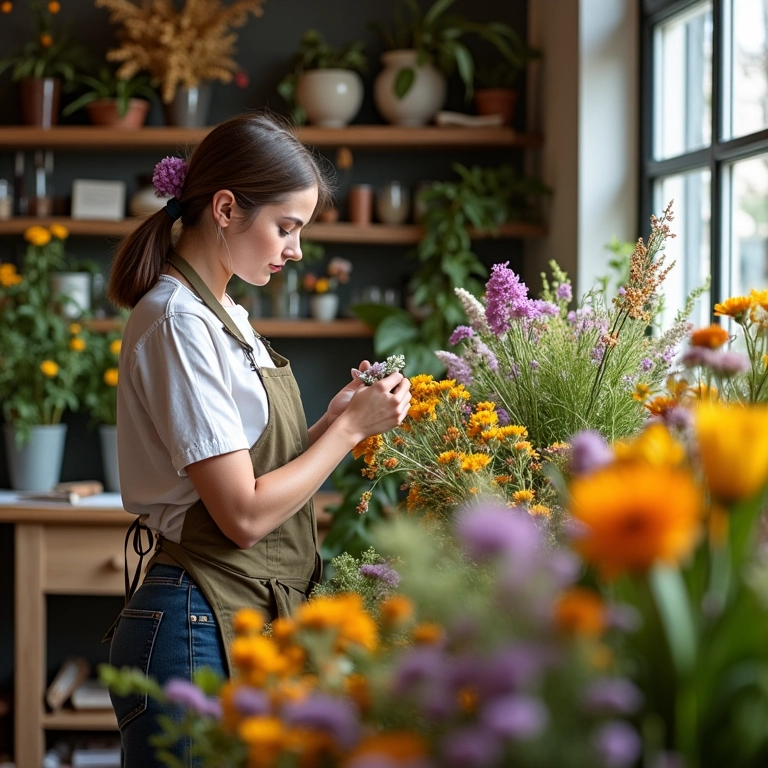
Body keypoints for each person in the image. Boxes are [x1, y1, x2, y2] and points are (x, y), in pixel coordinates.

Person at [104, 112, 411, 767]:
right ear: (224, 208)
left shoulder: (227, 317)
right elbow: (242, 514)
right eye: (287, 227)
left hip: (228, 614)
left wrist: (334, 423)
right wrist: (349, 433)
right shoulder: (177, 322)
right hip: (196, 621)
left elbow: (253, 472)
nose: (295, 250)